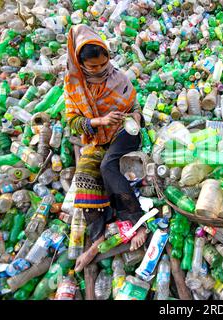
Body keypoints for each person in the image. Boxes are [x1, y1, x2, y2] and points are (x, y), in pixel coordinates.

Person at [64, 25, 147, 272]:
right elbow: (72, 121)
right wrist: (98, 121)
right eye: (94, 67)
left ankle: (135, 220)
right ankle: (98, 236)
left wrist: (133, 119)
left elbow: (135, 108)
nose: (101, 70)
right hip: (96, 136)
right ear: (81, 65)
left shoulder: (118, 78)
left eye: (104, 63)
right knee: (84, 178)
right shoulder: (73, 84)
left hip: (124, 133)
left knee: (108, 166)